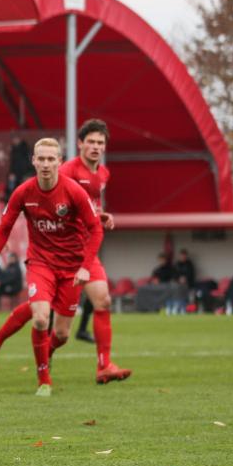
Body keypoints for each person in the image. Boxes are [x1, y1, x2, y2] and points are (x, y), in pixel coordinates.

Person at [0, 138, 105, 396]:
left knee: (62, 334)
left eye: (50, 159)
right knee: (41, 316)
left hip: (72, 267)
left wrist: (85, 267)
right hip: (40, 262)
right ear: (33, 161)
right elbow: (3, 230)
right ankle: (43, 379)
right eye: (41, 159)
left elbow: (95, 229)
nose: (45, 164)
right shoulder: (23, 192)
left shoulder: (73, 191)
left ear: (59, 161)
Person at [57, 119, 131, 381]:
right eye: (91, 142)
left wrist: (101, 215)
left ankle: (104, 366)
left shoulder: (103, 174)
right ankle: (39, 355)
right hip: (63, 251)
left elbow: (90, 207)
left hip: (87, 248)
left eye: (101, 143)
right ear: (80, 143)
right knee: (58, 332)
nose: (96, 147)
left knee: (103, 300)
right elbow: (60, 209)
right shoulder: (66, 171)